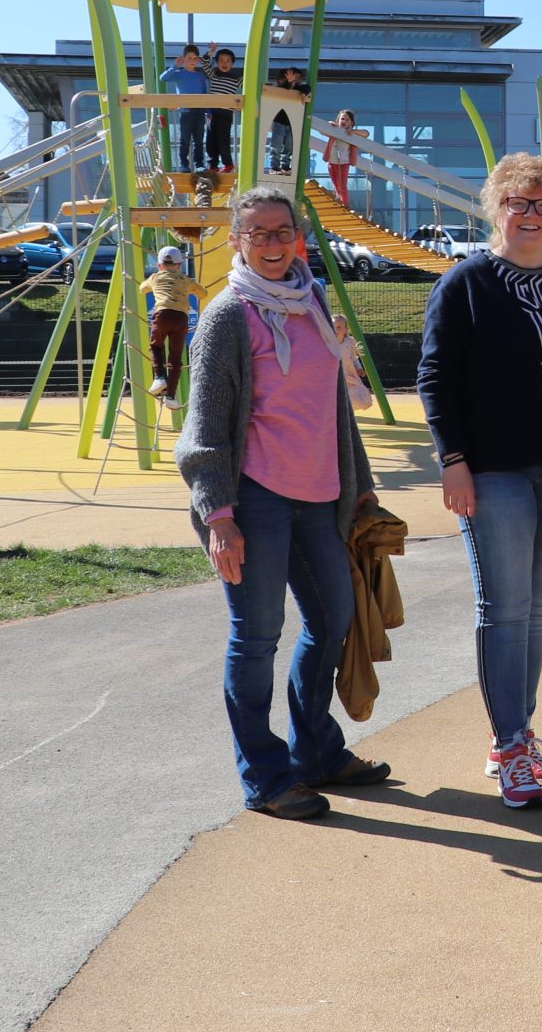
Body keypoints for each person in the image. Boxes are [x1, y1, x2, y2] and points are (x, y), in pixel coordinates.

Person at [176, 185, 388, 821]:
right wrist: (219, 518)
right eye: (258, 234)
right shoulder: (227, 317)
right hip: (255, 502)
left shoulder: (314, 300)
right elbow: (205, 429)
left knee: (334, 621)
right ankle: (266, 778)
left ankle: (315, 752)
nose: (272, 244)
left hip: (321, 496)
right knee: (257, 637)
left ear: (299, 238)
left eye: (282, 232)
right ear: (238, 242)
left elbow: (333, 407)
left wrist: (364, 483)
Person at [419, 153, 542, 809]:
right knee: (503, 608)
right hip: (491, 469)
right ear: (496, 207)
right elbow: (436, 376)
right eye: (518, 202)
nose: (531, 215)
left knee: (535, 609)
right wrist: (452, 460)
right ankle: (508, 746)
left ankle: (517, 734)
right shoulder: (465, 283)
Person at [141, 245, 201, 399]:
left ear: (159, 265)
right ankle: (171, 397)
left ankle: (159, 377)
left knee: (156, 346)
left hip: (162, 314)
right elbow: (203, 293)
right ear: (179, 265)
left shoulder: (155, 277)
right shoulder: (184, 279)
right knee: (175, 358)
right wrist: (189, 289)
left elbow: (142, 288)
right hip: (181, 318)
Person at [161, 45, 209, 173]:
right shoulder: (179, 73)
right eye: (189, 58)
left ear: (198, 60)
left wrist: (208, 111)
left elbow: (205, 94)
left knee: (199, 140)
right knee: (185, 140)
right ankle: (184, 164)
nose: (192, 60)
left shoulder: (200, 76)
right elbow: (163, 78)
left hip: (199, 111)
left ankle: (199, 164)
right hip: (186, 111)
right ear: (184, 59)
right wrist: (175, 66)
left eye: (194, 58)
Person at [204, 47, 241, 176]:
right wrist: (210, 52)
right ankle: (212, 165)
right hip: (211, 112)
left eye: (228, 61)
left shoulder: (237, 78)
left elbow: (250, 86)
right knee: (210, 139)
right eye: (221, 61)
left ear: (232, 63)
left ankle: (228, 164)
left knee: (223, 139)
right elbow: (204, 63)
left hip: (225, 113)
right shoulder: (214, 73)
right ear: (217, 62)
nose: (224, 63)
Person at [323, 109, 358, 205]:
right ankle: (339, 202)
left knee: (342, 186)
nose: (344, 121)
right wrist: (330, 124)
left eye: (347, 120)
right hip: (331, 162)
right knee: (336, 186)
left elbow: (366, 133)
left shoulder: (350, 134)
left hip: (344, 163)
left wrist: (354, 131)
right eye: (342, 119)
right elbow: (322, 131)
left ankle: (345, 204)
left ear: (351, 123)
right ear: (338, 120)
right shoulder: (334, 131)